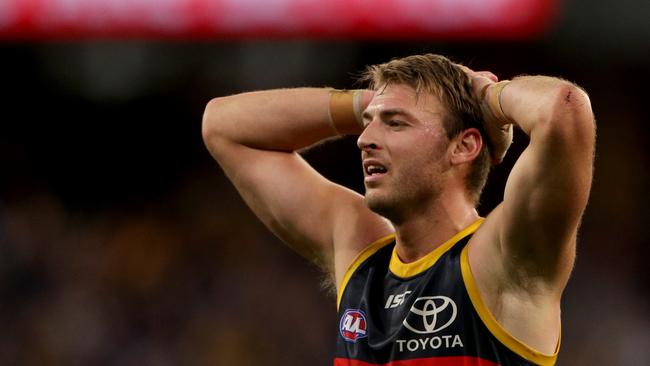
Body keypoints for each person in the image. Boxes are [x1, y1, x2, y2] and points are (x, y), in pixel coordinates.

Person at [201, 54, 595, 365]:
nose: (365, 139)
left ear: (463, 146)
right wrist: (363, 104)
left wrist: (486, 95)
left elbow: (563, 108)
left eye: (395, 123)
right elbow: (222, 125)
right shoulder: (361, 249)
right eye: (368, 123)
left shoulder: (502, 259)